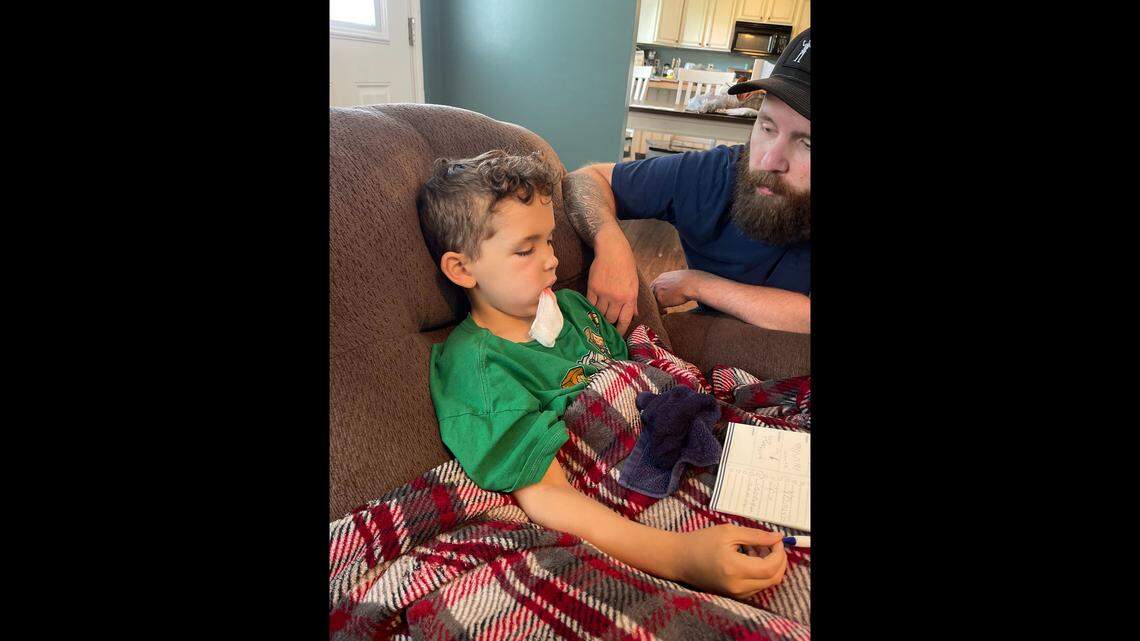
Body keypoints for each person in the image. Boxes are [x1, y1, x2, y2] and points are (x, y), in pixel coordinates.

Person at [418, 149, 788, 599]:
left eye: (550, 241)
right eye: (525, 249)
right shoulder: (480, 371)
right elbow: (548, 496)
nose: (552, 261)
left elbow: (635, 373)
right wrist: (682, 557)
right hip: (626, 494)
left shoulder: (571, 309)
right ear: (461, 268)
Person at [562, 28, 813, 335]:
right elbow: (589, 179)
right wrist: (610, 243)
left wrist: (699, 284)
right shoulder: (713, 173)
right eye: (767, 127)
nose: (770, 161)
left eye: (807, 144)